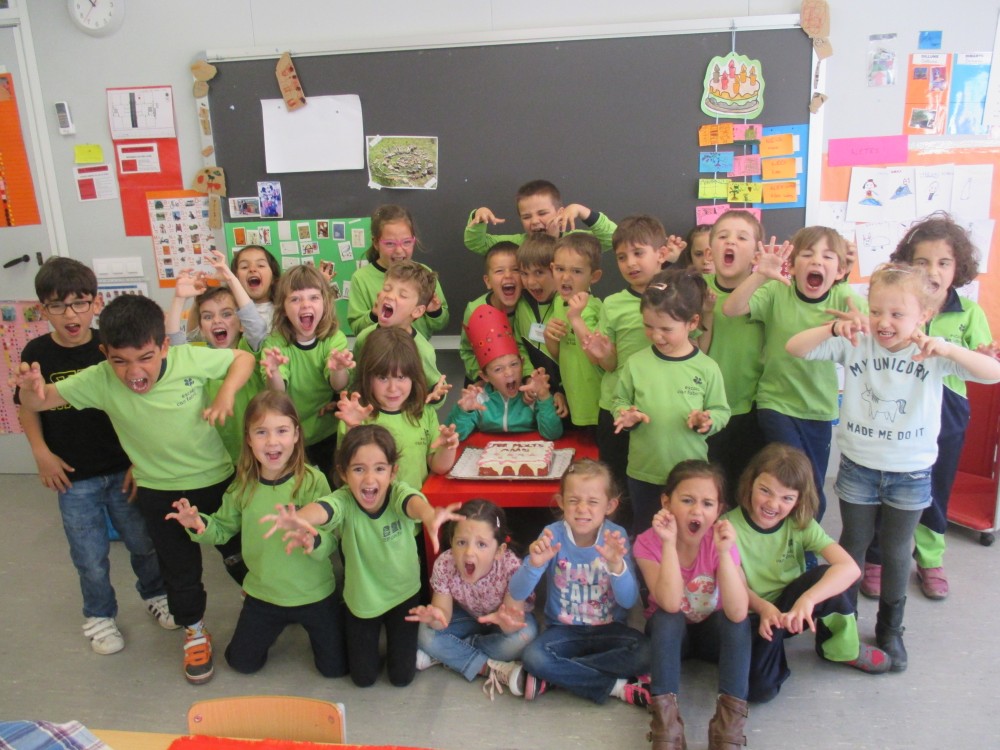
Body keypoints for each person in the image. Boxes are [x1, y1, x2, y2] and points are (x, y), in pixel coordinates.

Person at [13, 294, 256, 684]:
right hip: (159, 491)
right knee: (179, 569)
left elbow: (243, 359)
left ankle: (263, 600)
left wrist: (226, 392)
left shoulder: (188, 359)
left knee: (239, 552)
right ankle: (194, 631)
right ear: (104, 353)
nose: (134, 372)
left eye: (145, 357)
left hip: (215, 481)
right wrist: (30, 390)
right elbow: (39, 401)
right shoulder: (99, 378)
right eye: (120, 361)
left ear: (164, 346)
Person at [786, 263, 1000, 671]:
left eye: (897, 314)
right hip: (859, 465)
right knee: (853, 542)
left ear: (924, 315)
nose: (884, 322)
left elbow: (993, 374)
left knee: (899, 549)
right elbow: (795, 347)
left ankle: (890, 628)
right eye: (876, 311)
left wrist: (949, 349)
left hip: (911, 470)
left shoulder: (934, 352)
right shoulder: (857, 342)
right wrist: (833, 329)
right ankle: (842, 622)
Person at [14, 258, 173, 655]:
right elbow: (28, 407)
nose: (70, 315)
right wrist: (40, 453)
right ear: (43, 309)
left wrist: (138, 461)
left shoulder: (110, 348)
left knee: (143, 541)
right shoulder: (36, 352)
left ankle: (156, 593)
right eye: (58, 305)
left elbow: (140, 405)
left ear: (95, 303)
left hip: (122, 469)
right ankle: (100, 615)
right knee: (89, 556)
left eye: (80, 303)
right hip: (73, 476)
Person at [260, 425, 461, 687]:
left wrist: (429, 515)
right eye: (358, 469)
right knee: (363, 679)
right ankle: (349, 625)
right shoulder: (344, 500)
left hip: (404, 594)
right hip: (363, 600)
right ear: (343, 473)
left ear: (393, 472)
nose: (369, 479)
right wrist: (299, 517)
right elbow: (324, 509)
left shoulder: (398, 492)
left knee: (401, 678)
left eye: (379, 468)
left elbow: (414, 504)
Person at [166, 391, 346, 677]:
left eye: (281, 431)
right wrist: (198, 524)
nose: (272, 442)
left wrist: (312, 540)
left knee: (335, 669)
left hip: (314, 594)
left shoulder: (313, 481)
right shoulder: (243, 485)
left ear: (296, 435)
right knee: (242, 663)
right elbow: (222, 529)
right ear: (248, 439)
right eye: (261, 432)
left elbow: (332, 539)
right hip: (264, 595)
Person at [861, 215, 995, 600]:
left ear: (958, 267)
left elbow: (983, 366)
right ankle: (877, 556)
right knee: (888, 485)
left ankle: (930, 558)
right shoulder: (897, 306)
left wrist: (982, 356)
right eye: (922, 262)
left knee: (936, 487)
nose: (933, 271)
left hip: (947, 414)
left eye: (943, 262)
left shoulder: (969, 313)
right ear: (907, 265)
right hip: (901, 413)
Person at [723, 444, 891, 703]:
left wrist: (807, 600)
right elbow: (735, 587)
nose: (772, 504)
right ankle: (759, 651)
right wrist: (766, 609)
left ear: (799, 500)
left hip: (793, 610)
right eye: (765, 491)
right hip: (754, 614)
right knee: (760, 691)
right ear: (750, 484)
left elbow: (850, 568)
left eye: (786, 498)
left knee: (829, 577)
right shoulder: (728, 527)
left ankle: (841, 648)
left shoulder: (800, 524)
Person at [722, 226, 863, 521]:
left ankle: (806, 538)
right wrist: (760, 274)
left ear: (839, 271)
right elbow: (731, 308)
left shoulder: (843, 296)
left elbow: (873, 324)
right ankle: (777, 535)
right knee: (791, 477)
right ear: (793, 265)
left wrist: (861, 320)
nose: (817, 261)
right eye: (807, 254)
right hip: (776, 402)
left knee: (812, 485)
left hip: (819, 408)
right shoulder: (778, 290)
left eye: (828, 256)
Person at [507, 458, 651, 705]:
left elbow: (628, 601)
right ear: (561, 502)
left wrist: (617, 566)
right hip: (563, 631)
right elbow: (517, 592)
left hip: (610, 630)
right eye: (574, 500)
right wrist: (534, 564)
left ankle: (557, 675)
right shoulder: (552, 535)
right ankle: (615, 687)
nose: (582, 509)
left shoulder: (615, 537)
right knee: (534, 657)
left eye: (593, 502)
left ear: (610, 505)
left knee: (648, 652)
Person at [634, 460, 750, 750]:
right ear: (666, 502)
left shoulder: (720, 541)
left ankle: (728, 731)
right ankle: (666, 730)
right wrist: (668, 544)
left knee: (738, 624)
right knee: (667, 617)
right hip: (674, 639)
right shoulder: (648, 543)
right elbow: (671, 603)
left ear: (719, 510)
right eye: (687, 500)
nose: (697, 511)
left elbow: (738, 612)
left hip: (711, 633)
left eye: (707, 503)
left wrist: (724, 553)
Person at [612, 268, 730, 536]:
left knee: (688, 537)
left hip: (690, 478)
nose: (656, 336)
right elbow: (619, 399)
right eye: (648, 326)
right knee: (646, 535)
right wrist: (625, 414)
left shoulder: (706, 368)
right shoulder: (636, 363)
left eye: (666, 329)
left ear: (693, 322)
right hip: (644, 473)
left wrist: (707, 420)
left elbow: (721, 410)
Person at [583, 216, 680, 515]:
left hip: (662, 406)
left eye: (638, 253)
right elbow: (610, 365)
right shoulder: (612, 304)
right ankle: (619, 539)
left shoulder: (678, 298)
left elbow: (692, 348)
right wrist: (602, 353)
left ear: (661, 254)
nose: (630, 263)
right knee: (617, 489)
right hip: (617, 406)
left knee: (661, 488)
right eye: (622, 257)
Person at [406, 499, 538, 699]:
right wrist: (434, 617)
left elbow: (514, 622)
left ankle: (451, 654)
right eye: (461, 542)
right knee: (425, 633)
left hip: (502, 623)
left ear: (499, 551)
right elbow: (443, 615)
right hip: (469, 616)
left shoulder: (511, 568)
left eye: (481, 544)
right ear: (451, 542)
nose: (469, 552)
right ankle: (488, 667)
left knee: (525, 636)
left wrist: (506, 625)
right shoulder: (445, 564)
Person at [166, 252, 267, 462]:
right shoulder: (199, 355)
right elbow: (174, 342)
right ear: (201, 328)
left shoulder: (250, 349)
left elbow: (256, 325)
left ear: (241, 324)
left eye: (227, 314)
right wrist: (179, 299)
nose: (217, 321)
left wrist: (230, 278)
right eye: (208, 316)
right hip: (216, 458)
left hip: (254, 454)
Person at [335, 326, 458, 490]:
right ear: (367, 377)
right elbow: (347, 468)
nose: (393, 388)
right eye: (383, 378)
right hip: (370, 504)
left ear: (414, 376)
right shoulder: (356, 415)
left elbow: (438, 466)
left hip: (413, 504)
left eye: (401, 377)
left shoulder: (424, 413)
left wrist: (448, 447)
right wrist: (353, 428)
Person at [260, 264, 354, 478]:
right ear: (283, 308)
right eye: (295, 299)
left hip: (327, 431)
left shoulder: (334, 338)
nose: (305, 304)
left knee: (335, 482)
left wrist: (339, 368)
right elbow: (277, 393)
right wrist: (273, 370)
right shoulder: (276, 343)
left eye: (313, 297)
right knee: (299, 487)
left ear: (325, 303)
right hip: (291, 435)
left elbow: (338, 385)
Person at [700, 211, 767, 503]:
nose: (731, 242)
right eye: (723, 236)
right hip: (705, 410)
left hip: (751, 409)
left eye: (742, 238)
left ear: (756, 255)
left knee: (745, 493)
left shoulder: (769, 291)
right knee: (708, 493)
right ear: (709, 251)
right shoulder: (696, 289)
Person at [446, 304, 563, 442]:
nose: (509, 373)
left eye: (514, 364)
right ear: (485, 376)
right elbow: (454, 437)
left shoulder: (532, 395)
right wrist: (464, 411)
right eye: (498, 369)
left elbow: (552, 434)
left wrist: (544, 396)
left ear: (522, 363)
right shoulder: (479, 399)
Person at [351, 259, 451, 407]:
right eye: (387, 289)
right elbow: (354, 379)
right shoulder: (364, 338)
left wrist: (435, 396)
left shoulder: (422, 350)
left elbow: (435, 389)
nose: (390, 296)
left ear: (417, 311)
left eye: (403, 295)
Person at [346, 204, 448, 339]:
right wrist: (374, 315)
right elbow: (357, 329)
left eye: (406, 242)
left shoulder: (424, 273)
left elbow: (441, 323)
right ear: (376, 243)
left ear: (414, 240)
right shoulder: (361, 278)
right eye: (390, 243)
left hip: (416, 350)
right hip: (378, 350)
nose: (399, 250)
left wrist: (435, 312)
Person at [543, 233, 604, 431]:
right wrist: (548, 336)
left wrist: (576, 319)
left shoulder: (594, 309)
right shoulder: (559, 301)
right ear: (552, 268)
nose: (565, 277)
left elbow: (598, 357)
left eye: (576, 271)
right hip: (573, 399)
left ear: (594, 276)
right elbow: (559, 353)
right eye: (560, 269)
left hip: (596, 402)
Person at [465, 179, 618, 254]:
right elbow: (477, 244)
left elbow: (613, 238)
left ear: (560, 213)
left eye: (542, 213)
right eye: (526, 217)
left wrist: (582, 211)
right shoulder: (516, 244)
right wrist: (478, 218)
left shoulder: (576, 242)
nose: (534, 221)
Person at [458, 242, 532, 385]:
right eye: (499, 271)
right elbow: (467, 351)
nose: (508, 275)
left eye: (515, 269)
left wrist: (527, 377)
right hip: (484, 380)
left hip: (523, 379)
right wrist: (480, 378)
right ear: (488, 281)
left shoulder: (530, 307)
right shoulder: (475, 310)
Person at [230, 245, 280, 326]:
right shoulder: (230, 314)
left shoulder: (284, 311)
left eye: (261, 265)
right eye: (244, 267)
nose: (252, 269)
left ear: (273, 277)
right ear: (235, 279)